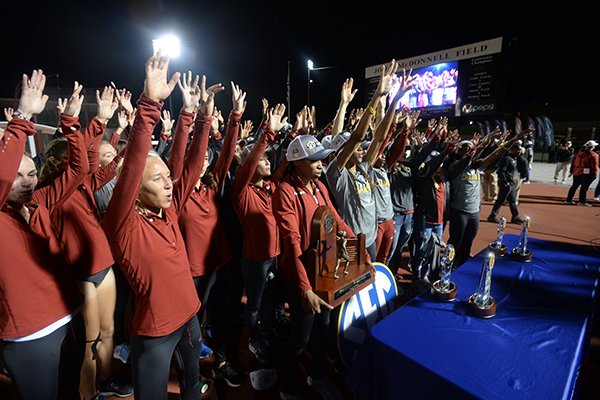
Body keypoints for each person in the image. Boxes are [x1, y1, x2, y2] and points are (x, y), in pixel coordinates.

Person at [103, 52, 215, 399]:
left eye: (168, 178)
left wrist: (199, 118)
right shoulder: (123, 225)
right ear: (135, 189)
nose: (170, 184)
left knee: (192, 386)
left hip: (191, 318)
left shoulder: (168, 211)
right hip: (154, 332)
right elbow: (136, 162)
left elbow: (189, 165)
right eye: (159, 180)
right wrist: (149, 105)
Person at [1, 69, 86, 400]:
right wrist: (22, 119)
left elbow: (79, 169)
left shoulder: (39, 200)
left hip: (69, 314)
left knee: (71, 392)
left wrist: (73, 125)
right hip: (31, 336)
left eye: (32, 173)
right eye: (16, 175)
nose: (27, 182)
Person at [273, 134, 354, 400]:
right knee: (300, 338)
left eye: (322, 158)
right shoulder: (285, 192)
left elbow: (336, 219)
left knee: (324, 328)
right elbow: (292, 242)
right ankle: (287, 386)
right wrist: (305, 290)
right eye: (314, 159)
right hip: (301, 278)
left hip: (324, 271)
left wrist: (358, 249)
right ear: (296, 163)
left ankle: (316, 375)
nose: (321, 164)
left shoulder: (319, 186)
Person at [231, 104, 287, 366]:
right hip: (255, 260)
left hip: (275, 256)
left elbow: (286, 162)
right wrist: (266, 136)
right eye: (262, 160)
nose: (267, 162)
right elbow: (250, 162)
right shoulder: (242, 192)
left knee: (272, 298)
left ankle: (267, 332)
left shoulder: (271, 187)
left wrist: (298, 133)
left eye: (267, 159)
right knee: (253, 304)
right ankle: (253, 339)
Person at [487, 141, 527, 224]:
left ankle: (515, 216)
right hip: (506, 183)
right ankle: (492, 216)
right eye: (517, 149)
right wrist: (505, 182)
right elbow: (501, 171)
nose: (519, 151)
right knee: (500, 200)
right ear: (512, 149)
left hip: (511, 183)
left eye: (519, 149)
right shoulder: (507, 159)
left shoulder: (514, 159)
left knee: (512, 201)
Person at [565, 140, 599, 206]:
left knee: (574, 186)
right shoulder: (593, 155)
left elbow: (573, 162)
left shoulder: (578, 154)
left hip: (577, 171)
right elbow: (594, 166)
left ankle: (569, 199)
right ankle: (582, 201)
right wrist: (595, 173)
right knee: (584, 188)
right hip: (587, 173)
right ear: (592, 147)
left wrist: (571, 171)